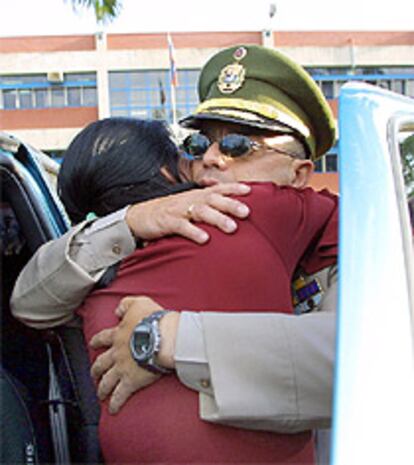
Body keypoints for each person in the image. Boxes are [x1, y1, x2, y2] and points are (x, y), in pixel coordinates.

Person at [11, 44, 337, 445]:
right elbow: (29, 302)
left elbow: (358, 365)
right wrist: (128, 224)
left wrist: (162, 338)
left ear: (300, 173)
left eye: (239, 145)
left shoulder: (356, 245)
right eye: (201, 144)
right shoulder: (170, 228)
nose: (213, 158)